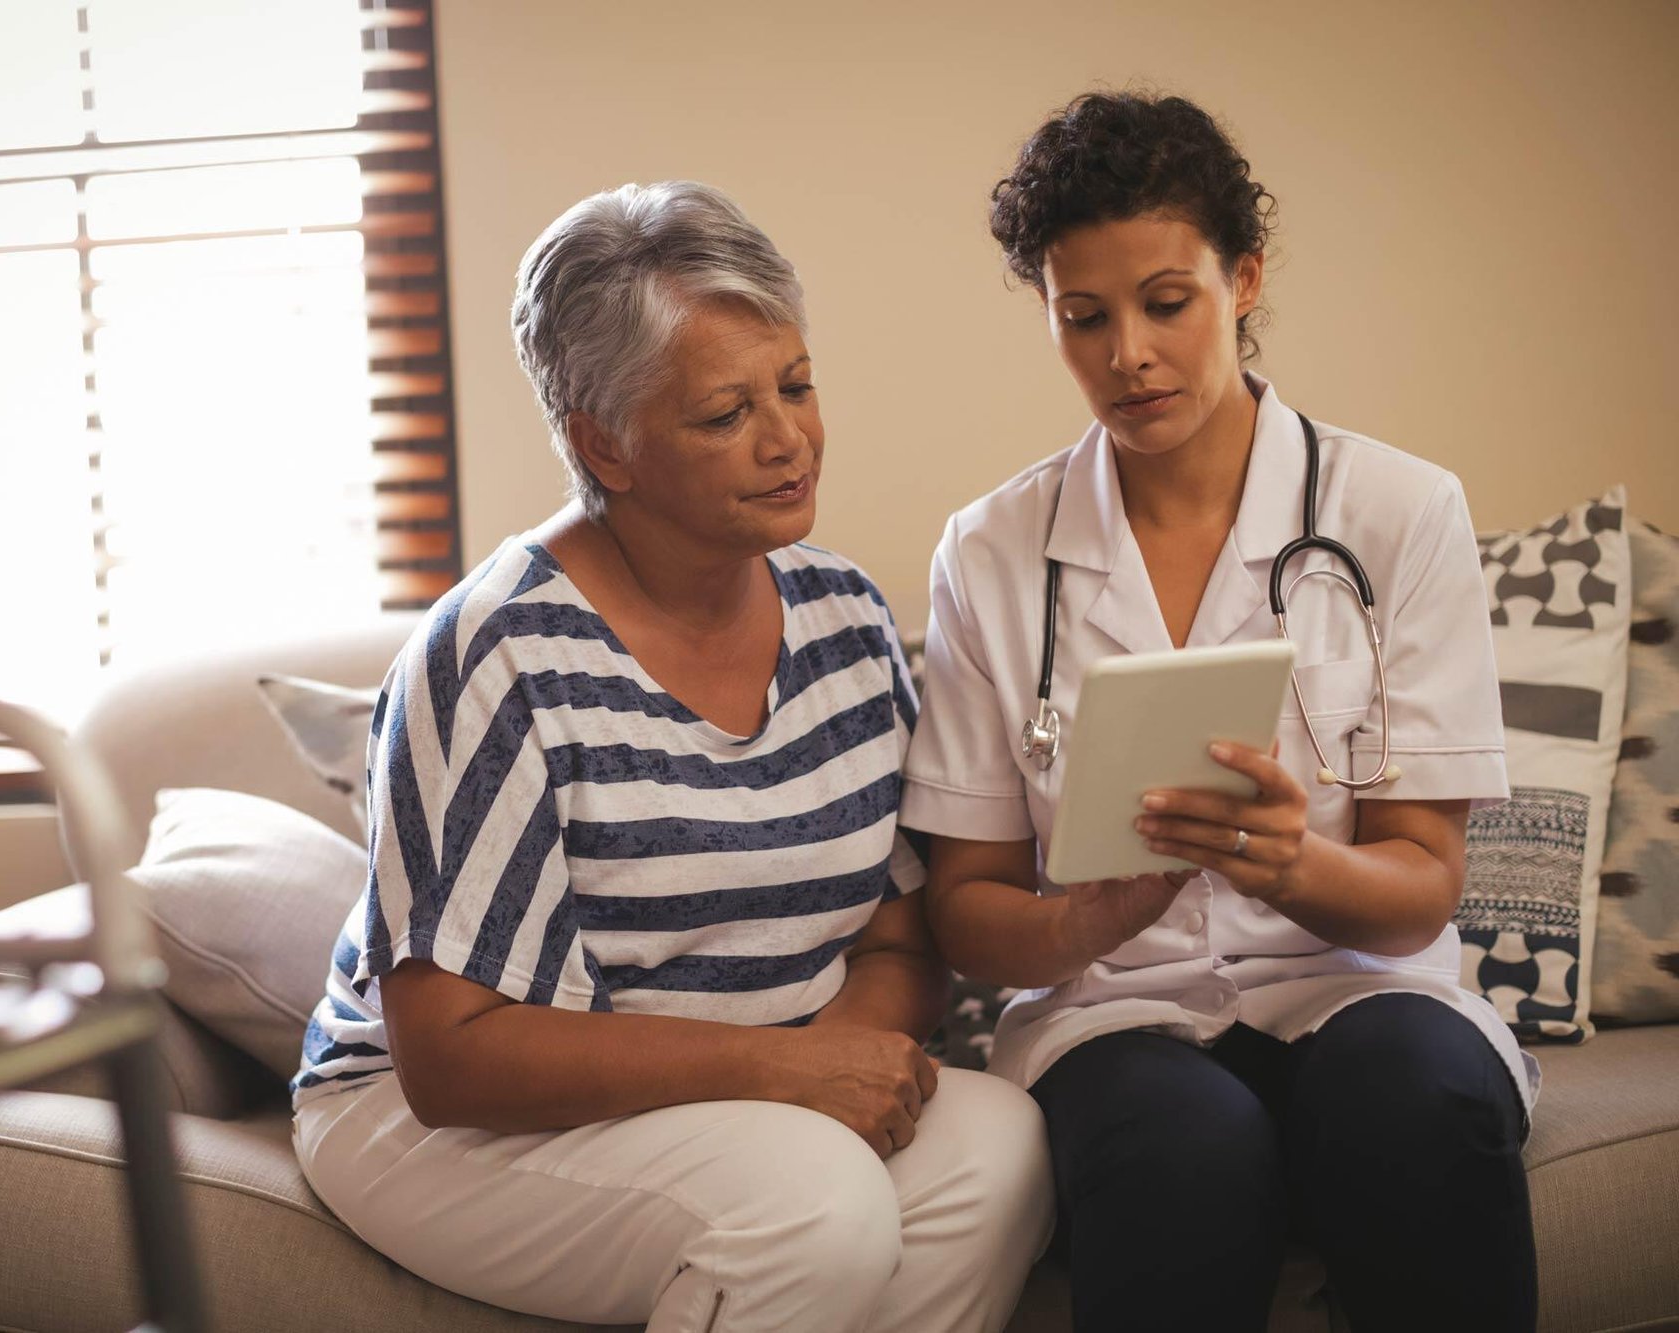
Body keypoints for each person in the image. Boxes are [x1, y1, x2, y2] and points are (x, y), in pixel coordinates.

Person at [292, 181, 1053, 1332]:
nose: (787, 436)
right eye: (723, 414)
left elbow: (902, 927)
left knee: (1001, 1143)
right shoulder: (492, 654)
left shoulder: (845, 619)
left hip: (755, 1087)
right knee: (811, 1204)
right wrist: (779, 1078)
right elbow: (452, 1057)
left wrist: (839, 1050)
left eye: (795, 385)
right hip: (432, 1117)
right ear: (608, 444)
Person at [902, 92, 1538, 1333]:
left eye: (1163, 302)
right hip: (1114, 1012)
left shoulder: (1398, 512)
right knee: (1181, 1152)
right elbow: (967, 911)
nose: (1124, 353)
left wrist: (1296, 866)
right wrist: (1089, 912)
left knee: (1410, 1102)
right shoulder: (990, 551)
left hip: (1355, 983)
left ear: (1240, 280)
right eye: (1081, 317)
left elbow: (1423, 882)